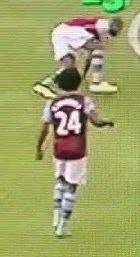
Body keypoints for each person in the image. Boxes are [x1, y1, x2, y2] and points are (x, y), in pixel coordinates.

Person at [36, 67, 114, 238]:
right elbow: (96, 121)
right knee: (72, 186)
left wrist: (39, 148)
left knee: (61, 180)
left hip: (59, 148)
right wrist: (106, 123)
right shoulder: (84, 101)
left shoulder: (52, 103)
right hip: (77, 149)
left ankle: (56, 215)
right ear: (78, 83)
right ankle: (63, 224)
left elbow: (45, 128)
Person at [33, 16, 123, 99]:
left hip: (69, 34)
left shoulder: (102, 27)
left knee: (97, 51)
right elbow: (88, 45)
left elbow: (91, 50)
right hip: (62, 35)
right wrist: (105, 47)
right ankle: (43, 85)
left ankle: (96, 83)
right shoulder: (95, 28)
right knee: (69, 63)